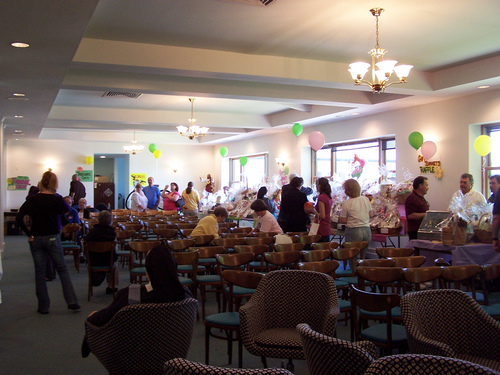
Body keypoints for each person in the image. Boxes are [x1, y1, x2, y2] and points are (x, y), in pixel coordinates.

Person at [82, 244, 193, 358]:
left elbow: (106, 317)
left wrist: (92, 317)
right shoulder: (185, 294)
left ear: (149, 271)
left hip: (133, 357)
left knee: (93, 317)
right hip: (172, 356)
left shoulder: (133, 294)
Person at [16, 171, 80, 314]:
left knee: (39, 273)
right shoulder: (57, 199)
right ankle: (72, 301)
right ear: (54, 184)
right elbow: (66, 212)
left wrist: (29, 234)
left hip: (36, 239)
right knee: (62, 269)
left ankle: (43, 306)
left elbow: (19, 218)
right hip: (52, 238)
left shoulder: (33, 199)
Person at [84, 210, 118, 294]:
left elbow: (85, 248)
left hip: (93, 261)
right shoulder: (112, 233)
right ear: (110, 221)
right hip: (108, 261)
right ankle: (111, 286)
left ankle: (94, 280)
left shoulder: (91, 232)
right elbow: (115, 251)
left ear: (99, 220)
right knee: (115, 261)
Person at [307, 177, 333, 242]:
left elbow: (322, 215)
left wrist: (312, 210)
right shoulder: (328, 197)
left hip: (321, 226)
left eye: (317, 185)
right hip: (327, 225)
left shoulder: (321, 197)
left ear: (320, 186)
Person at [405, 176, 430, 240]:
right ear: (420, 186)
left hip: (422, 231)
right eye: (426, 185)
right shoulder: (412, 198)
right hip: (415, 232)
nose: (428, 188)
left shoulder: (420, 198)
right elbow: (410, 215)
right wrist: (427, 214)